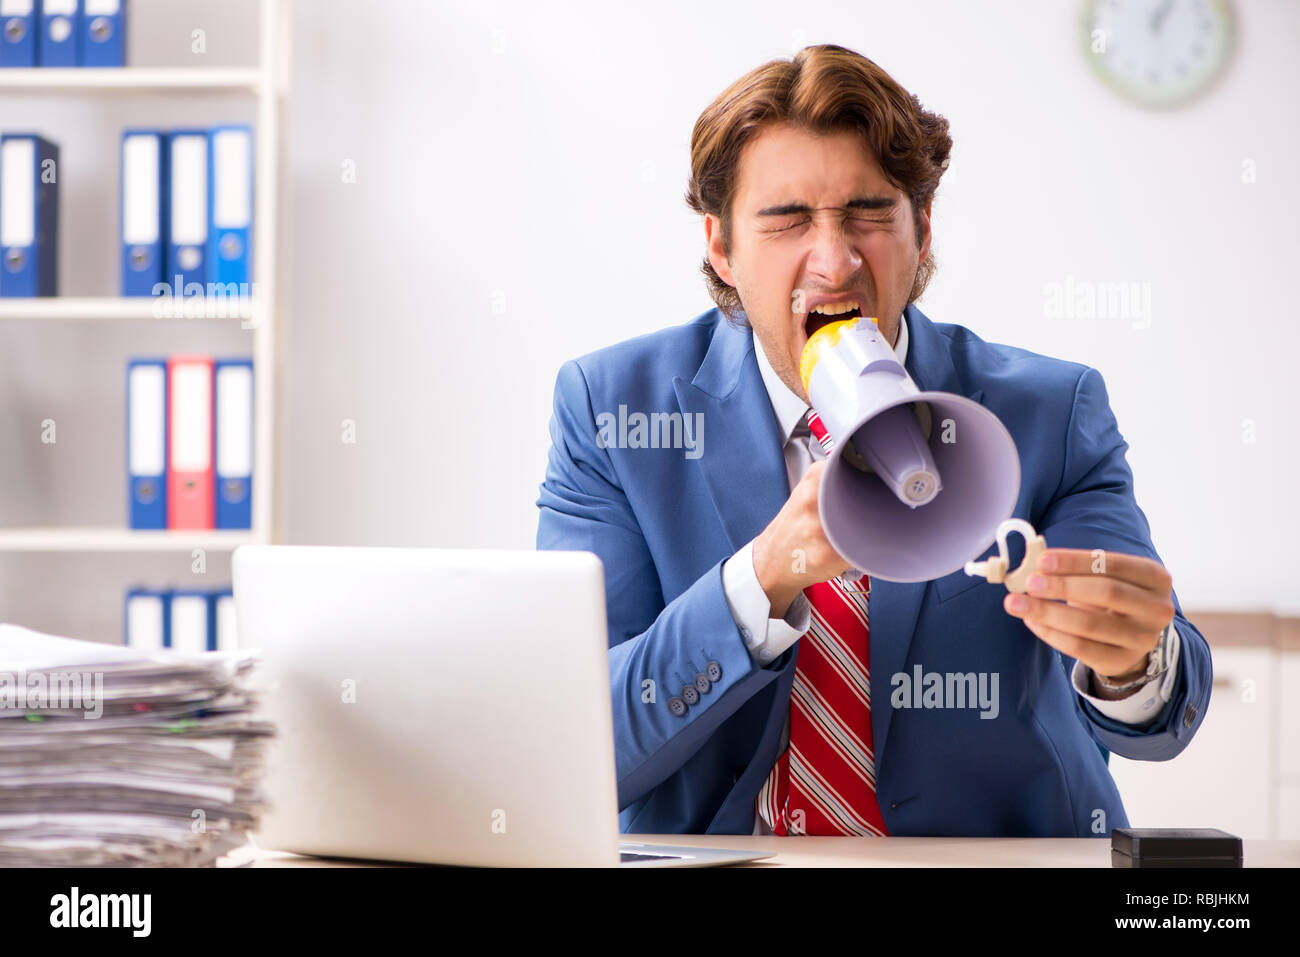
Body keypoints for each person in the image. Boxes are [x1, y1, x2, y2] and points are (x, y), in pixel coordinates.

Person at [536, 44, 1210, 836]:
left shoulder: (1048, 411)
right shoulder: (613, 412)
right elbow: (579, 744)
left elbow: (1165, 723)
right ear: (721, 247)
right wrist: (760, 578)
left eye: (869, 213)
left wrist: (1130, 658)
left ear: (921, 230)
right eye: (788, 219)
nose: (836, 259)